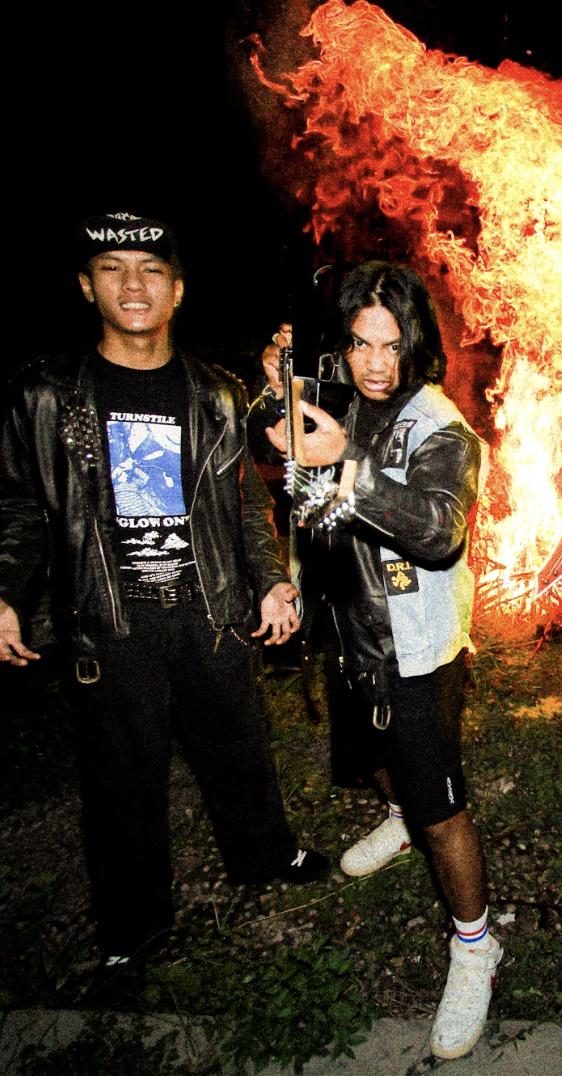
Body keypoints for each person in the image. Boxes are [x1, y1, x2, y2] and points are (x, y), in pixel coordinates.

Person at [0, 212, 330, 970]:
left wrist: (270, 580)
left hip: (209, 607)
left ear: (176, 290)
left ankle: (264, 854)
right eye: (111, 269)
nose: (133, 285)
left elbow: (242, 500)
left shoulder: (215, 393)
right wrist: (6, 589)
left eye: (150, 270)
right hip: (112, 618)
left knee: (240, 746)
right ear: (86, 287)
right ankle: (135, 927)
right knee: (121, 780)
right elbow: (18, 504)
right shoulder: (46, 395)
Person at [265, 261, 496, 1061]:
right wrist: (272, 382)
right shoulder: (338, 397)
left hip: (413, 649)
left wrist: (347, 469)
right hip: (347, 630)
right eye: (361, 344)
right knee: (372, 758)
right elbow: (288, 458)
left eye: (391, 346)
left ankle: (476, 946)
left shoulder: (441, 429)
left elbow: (438, 529)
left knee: (443, 813)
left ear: (415, 345)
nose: (374, 363)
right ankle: (398, 820)